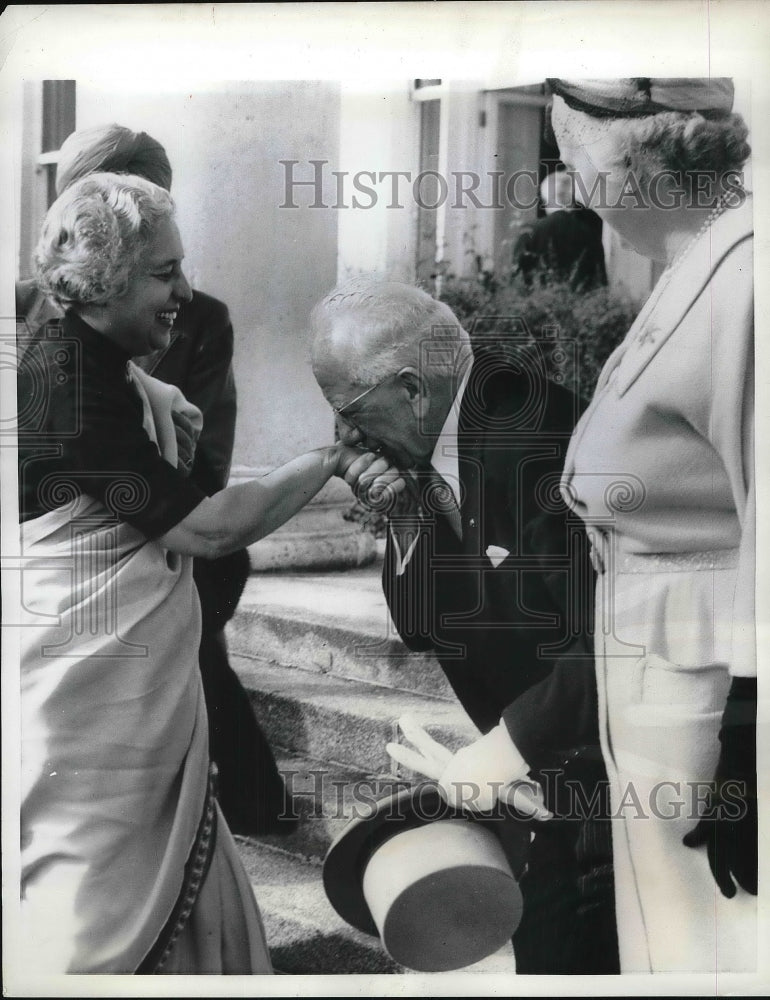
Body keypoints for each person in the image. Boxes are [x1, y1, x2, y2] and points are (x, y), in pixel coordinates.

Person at [17, 172, 402, 973]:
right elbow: (205, 529)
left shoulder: (96, 362)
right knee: (88, 920)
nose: (184, 292)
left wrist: (162, 400)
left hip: (125, 701)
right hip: (91, 710)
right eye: (164, 273)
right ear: (105, 278)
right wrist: (329, 458)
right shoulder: (72, 381)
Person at [310, 277, 619, 974]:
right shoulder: (443, 436)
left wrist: (507, 747)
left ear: (414, 390)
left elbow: (612, 641)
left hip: (611, 786)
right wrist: (407, 521)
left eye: (350, 412)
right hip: (548, 783)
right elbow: (424, 629)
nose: (345, 438)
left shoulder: (538, 444)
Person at [15, 123, 285, 837]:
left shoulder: (198, 320)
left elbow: (206, 459)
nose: (180, 284)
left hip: (165, 541)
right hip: (93, 571)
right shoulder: (32, 328)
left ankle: (248, 808)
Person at [545, 77, 757, 972]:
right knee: (670, 939)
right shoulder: (706, 262)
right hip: (669, 667)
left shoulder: (752, 276)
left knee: (720, 945)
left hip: (710, 695)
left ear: (626, 159)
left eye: (571, 159)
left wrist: (752, 737)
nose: (570, 185)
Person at [513, 168, 607, 290]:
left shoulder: (529, 232)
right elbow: (600, 284)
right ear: (572, 199)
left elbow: (517, 281)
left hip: (536, 305)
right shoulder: (590, 234)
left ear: (546, 200)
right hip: (580, 306)